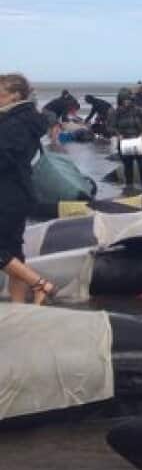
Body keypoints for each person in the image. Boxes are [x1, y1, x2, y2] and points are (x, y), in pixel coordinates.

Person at [0, 73, 57, 304]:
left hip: (7, 194)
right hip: (19, 193)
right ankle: (19, 308)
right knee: (14, 251)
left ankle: (39, 284)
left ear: (15, 95)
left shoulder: (13, 123)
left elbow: (4, 159)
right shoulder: (27, 119)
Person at [108, 87, 142, 190]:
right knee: (128, 167)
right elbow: (110, 127)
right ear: (120, 100)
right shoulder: (115, 113)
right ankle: (129, 187)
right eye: (124, 100)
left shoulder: (140, 111)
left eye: (128, 99)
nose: (126, 102)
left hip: (138, 141)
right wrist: (118, 134)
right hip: (124, 142)